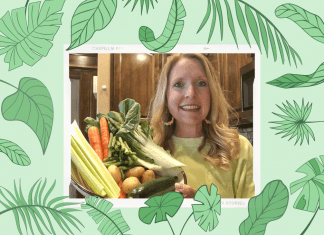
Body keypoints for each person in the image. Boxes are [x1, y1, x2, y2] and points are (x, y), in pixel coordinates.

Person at [148, 53, 255, 198]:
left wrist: (201, 205)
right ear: (166, 97)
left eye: (201, 83)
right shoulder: (149, 154)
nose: (191, 93)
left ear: (211, 94)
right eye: (178, 84)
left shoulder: (239, 149)